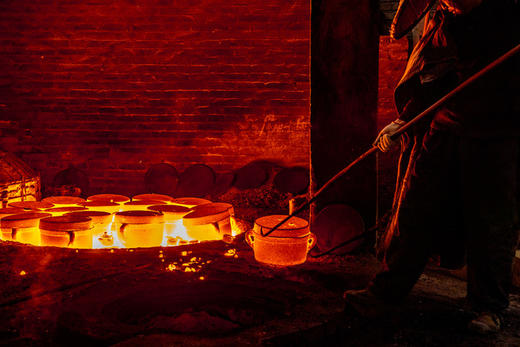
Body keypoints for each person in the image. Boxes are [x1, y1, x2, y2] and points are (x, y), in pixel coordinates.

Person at [344, 0, 520, 333]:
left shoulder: (510, 14)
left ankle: (488, 308)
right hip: (443, 127)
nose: (450, 2)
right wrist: (404, 120)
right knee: (414, 209)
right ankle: (385, 292)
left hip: (496, 133)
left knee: (491, 224)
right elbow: (431, 74)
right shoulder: (443, 18)